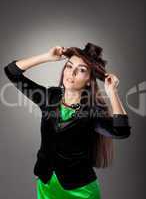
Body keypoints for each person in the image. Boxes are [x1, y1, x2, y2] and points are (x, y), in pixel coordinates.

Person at [4, 43, 131, 199]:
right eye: (69, 66)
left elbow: (121, 131)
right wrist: (46, 57)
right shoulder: (50, 98)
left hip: (81, 190)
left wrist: (112, 93)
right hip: (47, 185)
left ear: (89, 81)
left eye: (82, 70)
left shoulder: (91, 111)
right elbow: (12, 72)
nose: (72, 73)